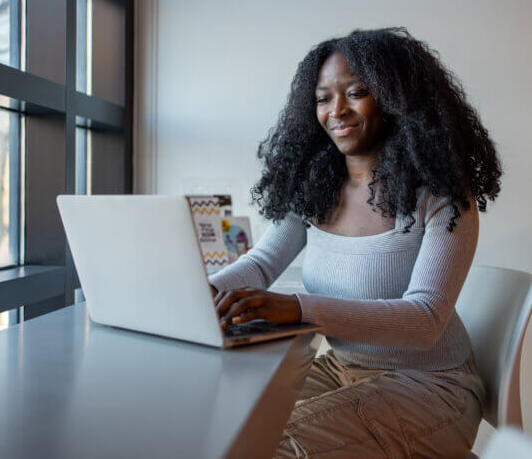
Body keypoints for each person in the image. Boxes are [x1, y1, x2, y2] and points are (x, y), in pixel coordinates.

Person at [209, 27, 502, 458]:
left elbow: (424, 321)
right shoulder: (315, 189)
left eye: (356, 91)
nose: (337, 110)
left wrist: (297, 308)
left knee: (260, 446)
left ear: (397, 99)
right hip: (343, 369)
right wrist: (206, 289)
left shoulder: (442, 194)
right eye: (323, 98)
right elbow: (262, 262)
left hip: (434, 389)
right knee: (219, 416)